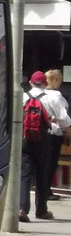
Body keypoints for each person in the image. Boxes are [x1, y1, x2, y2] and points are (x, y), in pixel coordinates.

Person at [21, 70, 71, 222]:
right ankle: (41, 210)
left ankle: (22, 209)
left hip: (25, 139)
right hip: (44, 141)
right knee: (43, 174)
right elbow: (66, 121)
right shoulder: (52, 98)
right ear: (45, 83)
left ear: (30, 82)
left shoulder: (22, 96)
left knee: (24, 174)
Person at [42, 69, 70, 203]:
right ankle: (46, 191)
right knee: (51, 164)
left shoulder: (40, 94)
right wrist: (67, 127)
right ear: (56, 81)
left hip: (40, 132)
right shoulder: (57, 95)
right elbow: (63, 118)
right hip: (54, 133)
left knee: (42, 163)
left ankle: (43, 190)